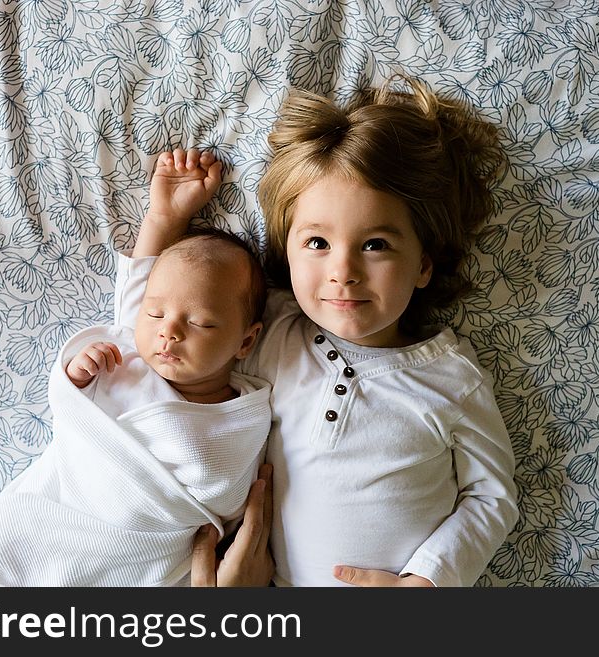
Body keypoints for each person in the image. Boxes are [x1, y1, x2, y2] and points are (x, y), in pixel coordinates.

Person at [124, 75, 519, 587]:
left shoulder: (450, 379)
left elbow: (491, 496)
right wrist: (163, 221)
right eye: (316, 244)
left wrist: (427, 580)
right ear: (285, 255)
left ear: (423, 265)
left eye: (375, 244)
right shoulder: (267, 334)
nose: (344, 270)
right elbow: (155, 325)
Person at [0, 152, 273, 587]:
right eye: (156, 315)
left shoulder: (245, 414)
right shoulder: (127, 354)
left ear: (246, 341)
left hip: (138, 553)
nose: (169, 332)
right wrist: (165, 213)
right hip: (56, 522)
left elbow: (225, 497)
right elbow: (142, 283)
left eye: (200, 322)